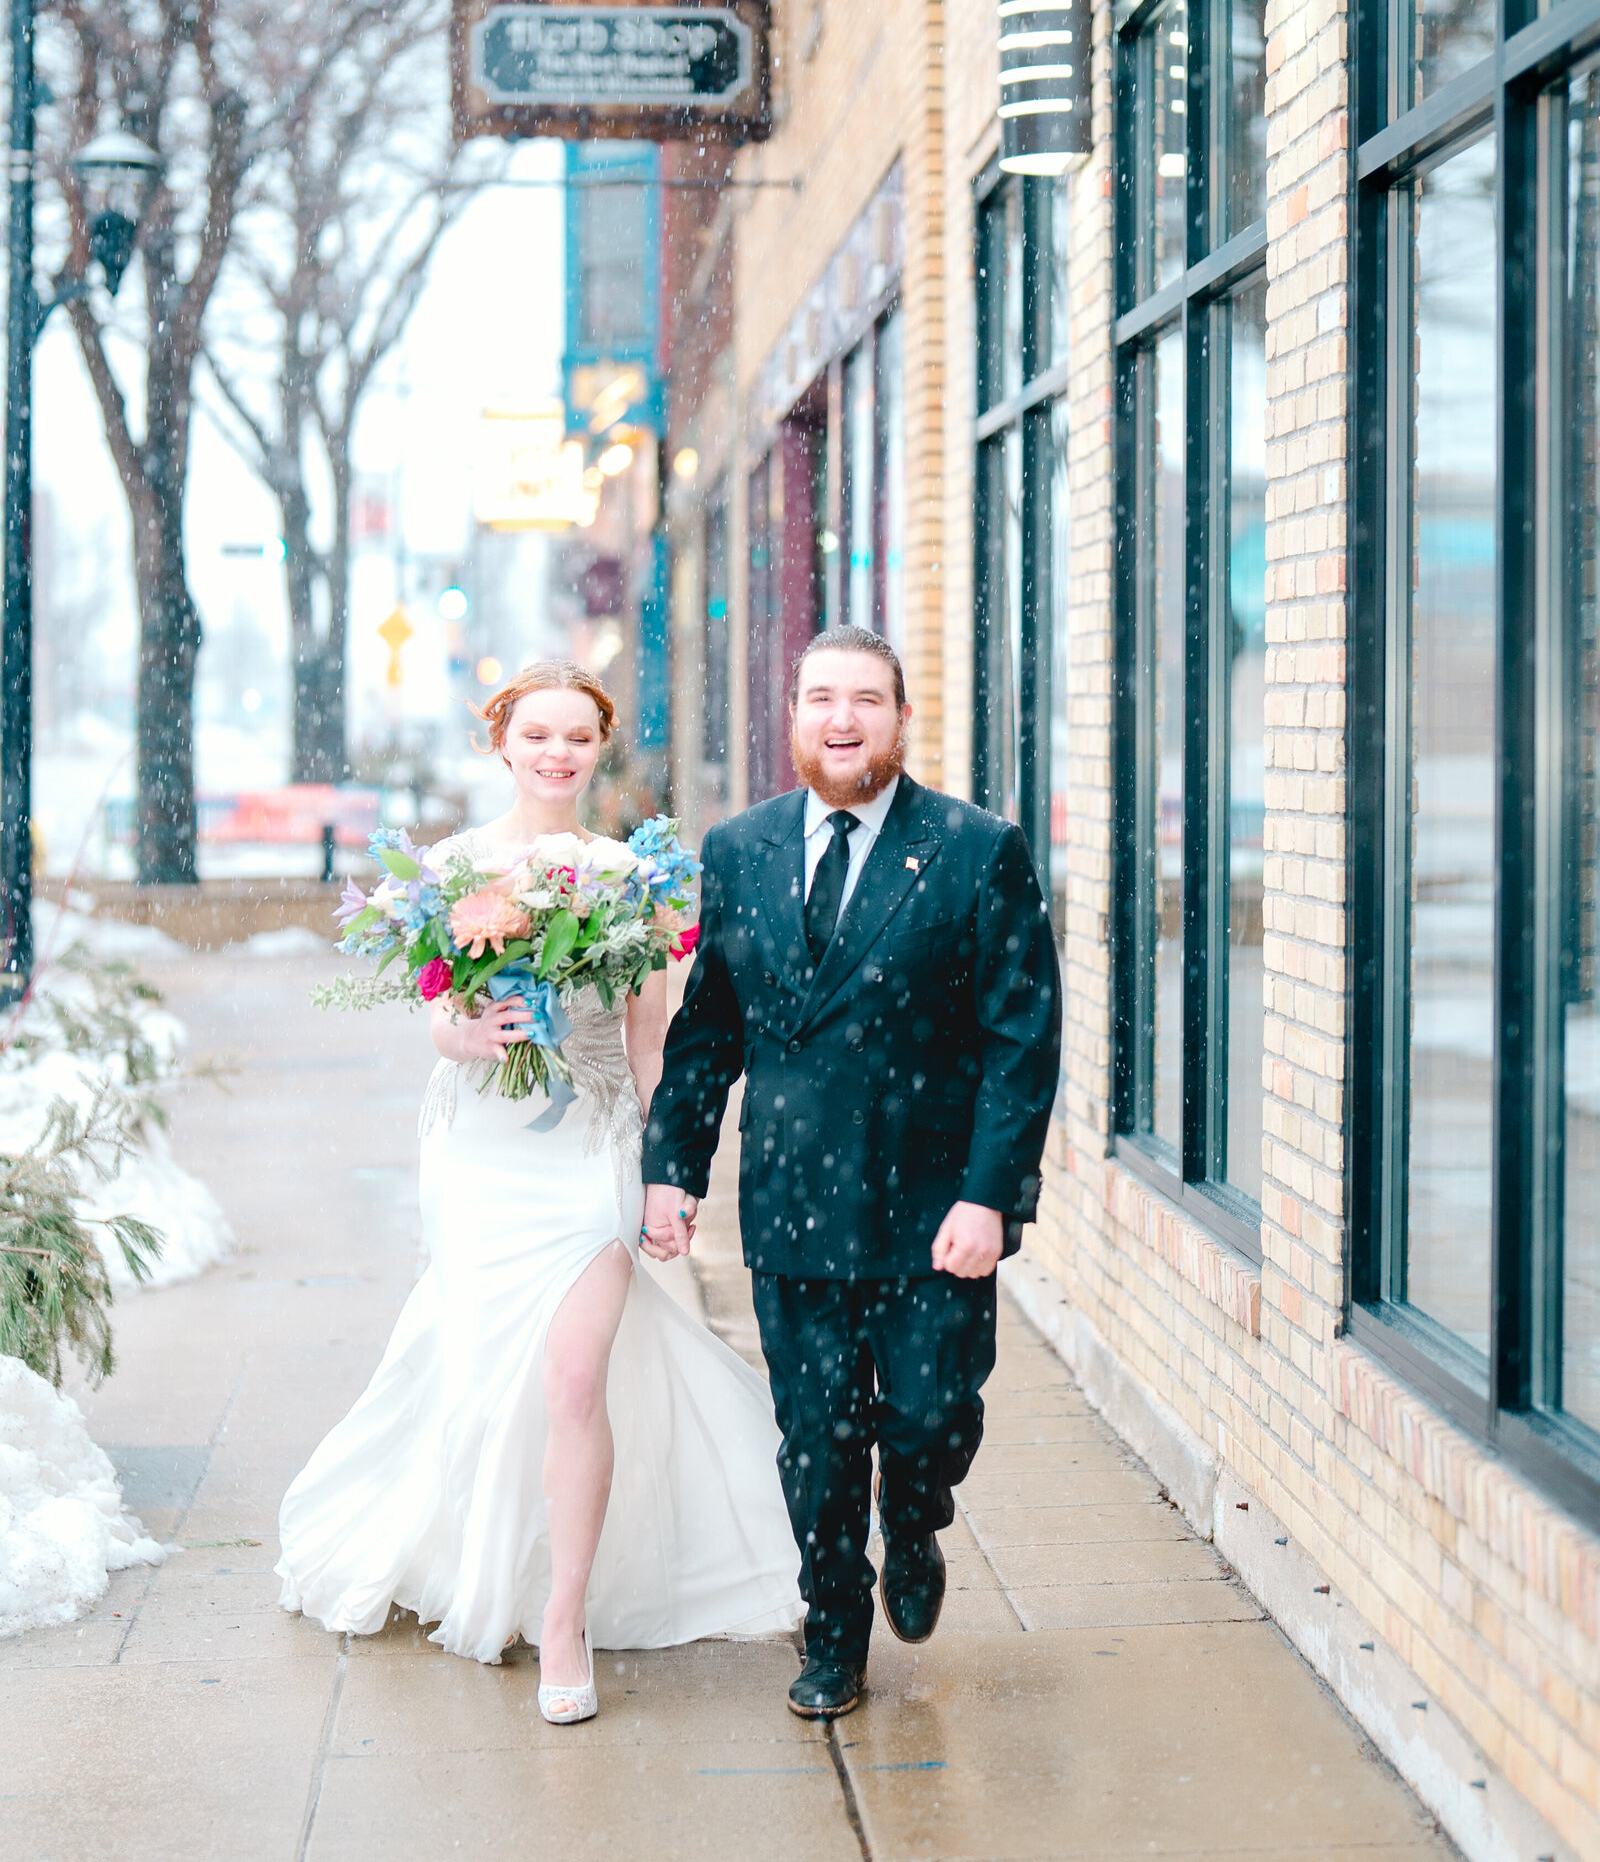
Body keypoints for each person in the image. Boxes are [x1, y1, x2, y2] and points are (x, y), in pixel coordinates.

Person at [277, 661, 800, 1723]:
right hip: (480, 1151)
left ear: (598, 748)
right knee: (488, 1376)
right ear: (501, 744)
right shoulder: (455, 868)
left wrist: (671, 1172)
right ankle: (483, 1556)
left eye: (576, 736)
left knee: (571, 1383)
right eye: (537, 735)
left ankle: (562, 1617)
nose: (556, 754)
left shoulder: (635, 877)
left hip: (589, 1153)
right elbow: (438, 1010)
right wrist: (465, 1032)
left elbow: (654, 1034)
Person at [642, 624, 1062, 1722]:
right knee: (818, 1440)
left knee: (926, 1419)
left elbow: (1023, 1038)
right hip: (793, 1204)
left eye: (865, 699)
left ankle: (917, 1514)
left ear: (900, 716)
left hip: (936, 1206)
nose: (841, 719)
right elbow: (708, 1031)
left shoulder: (976, 850)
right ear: (791, 717)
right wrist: (671, 1170)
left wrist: (989, 1195)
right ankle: (833, 1630)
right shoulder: (738, 851)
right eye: (820, 697)